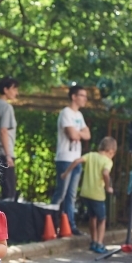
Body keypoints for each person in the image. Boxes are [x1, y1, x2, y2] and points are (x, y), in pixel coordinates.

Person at [61, 136, 117, 253]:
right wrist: (108, 187)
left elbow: (77, 161)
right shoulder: (107, 161)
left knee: (92, 217)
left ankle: (93, 240)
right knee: (102, 219)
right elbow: (106, 173)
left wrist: (66, 173)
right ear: (111, 151)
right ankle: (99, 243)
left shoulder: (91, 155)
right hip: (98, 195)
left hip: (86, 193)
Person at [51, 84, 91, 234]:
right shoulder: (66, 113)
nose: (85, 99)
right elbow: (73, 135)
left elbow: (88, 135)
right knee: (61, 193)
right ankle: (50, 222)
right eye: (82, 95)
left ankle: (69, 226)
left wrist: (79, 132)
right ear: (74, 96)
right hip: (65, 159)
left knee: (71, 195)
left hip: (77, 158)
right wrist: (79, 132)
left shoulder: (79, 116)